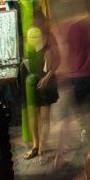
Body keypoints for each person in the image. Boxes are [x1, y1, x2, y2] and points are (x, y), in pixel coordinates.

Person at [58, 0, 90, 166]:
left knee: (68, 116)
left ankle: (60, 155)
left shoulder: (71, 27)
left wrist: (65, 71)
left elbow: (66, 51)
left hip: (76, 76)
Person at [26, 22, 62, 161]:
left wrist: (47, 77)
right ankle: (38, 146)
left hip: (44, 82)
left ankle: (40, 147)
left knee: (43, 116)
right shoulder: (33, 41)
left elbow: (56, 61)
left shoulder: (49, 39)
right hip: (36, 82)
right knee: (36, 116)